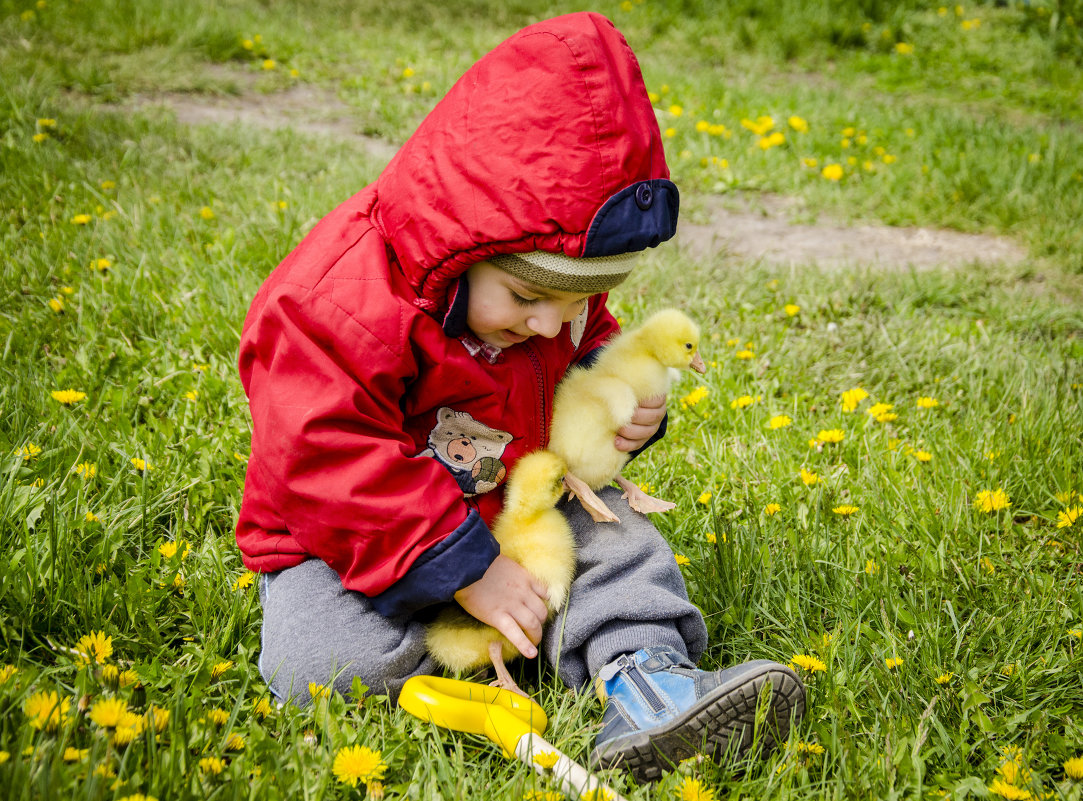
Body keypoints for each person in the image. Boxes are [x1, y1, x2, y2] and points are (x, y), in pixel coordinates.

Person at [235, 11, 805, 782]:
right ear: (460, 245)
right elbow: (322, 461)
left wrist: (617, 396)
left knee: (616, 539)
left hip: (512, 499)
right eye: (523, 295)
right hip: (349, 535)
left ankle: (649, 683)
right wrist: (466, 571)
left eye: (574, 304)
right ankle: (463, 652)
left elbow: (582, 346)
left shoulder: (550, 306)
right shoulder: (333, 304)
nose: (548, 324)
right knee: (321, 663)